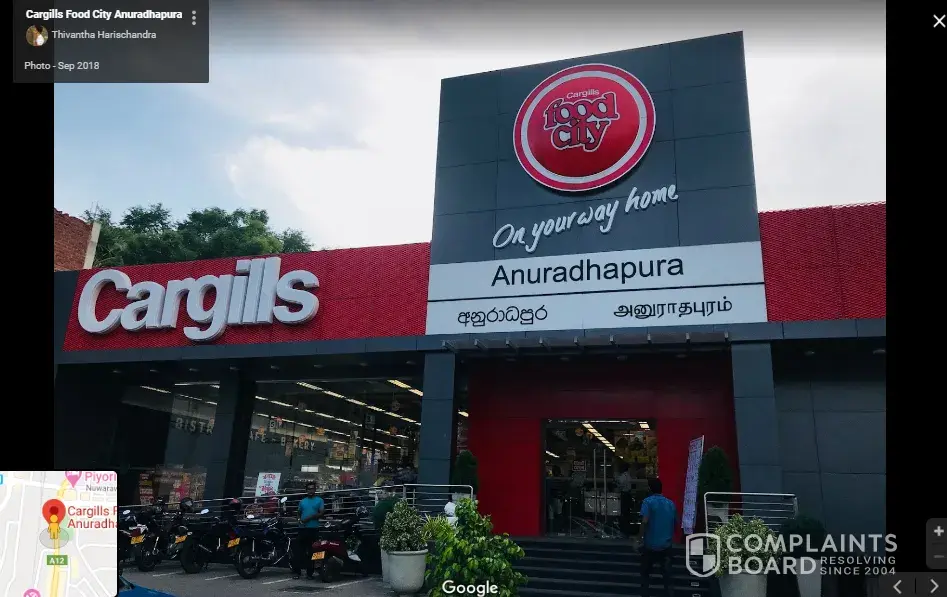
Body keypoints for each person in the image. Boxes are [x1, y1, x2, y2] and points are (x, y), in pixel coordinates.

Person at [636, 477, 676, 597]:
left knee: (645, 576)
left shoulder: (648, 502)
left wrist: (639, 539)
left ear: (649, 489)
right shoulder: (670, 504)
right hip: (666, 546)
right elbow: (674, 522)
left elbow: (644, 521)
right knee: (667, 579)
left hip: (650, 546)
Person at [293, 483, 325, 579]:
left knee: (313, 552)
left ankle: (310, 573)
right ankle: (297, 572)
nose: (310, 491)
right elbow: (298, 513)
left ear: (315, 490)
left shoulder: (319, 500)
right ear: (306, 490)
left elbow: (321, 513)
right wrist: (299, 519)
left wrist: (311, 517)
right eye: (309, 489)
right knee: (299, 551)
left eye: (312, 489)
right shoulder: (302, 501)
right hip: (302, 529)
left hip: (313, 529)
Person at [616, 462, 633, 537]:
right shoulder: (627, 476)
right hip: (627, 494)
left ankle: (624, 530)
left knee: (624, 513)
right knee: (626, 513)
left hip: (625, 494)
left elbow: (619, 483)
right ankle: (626, 530)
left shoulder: (624, 476)